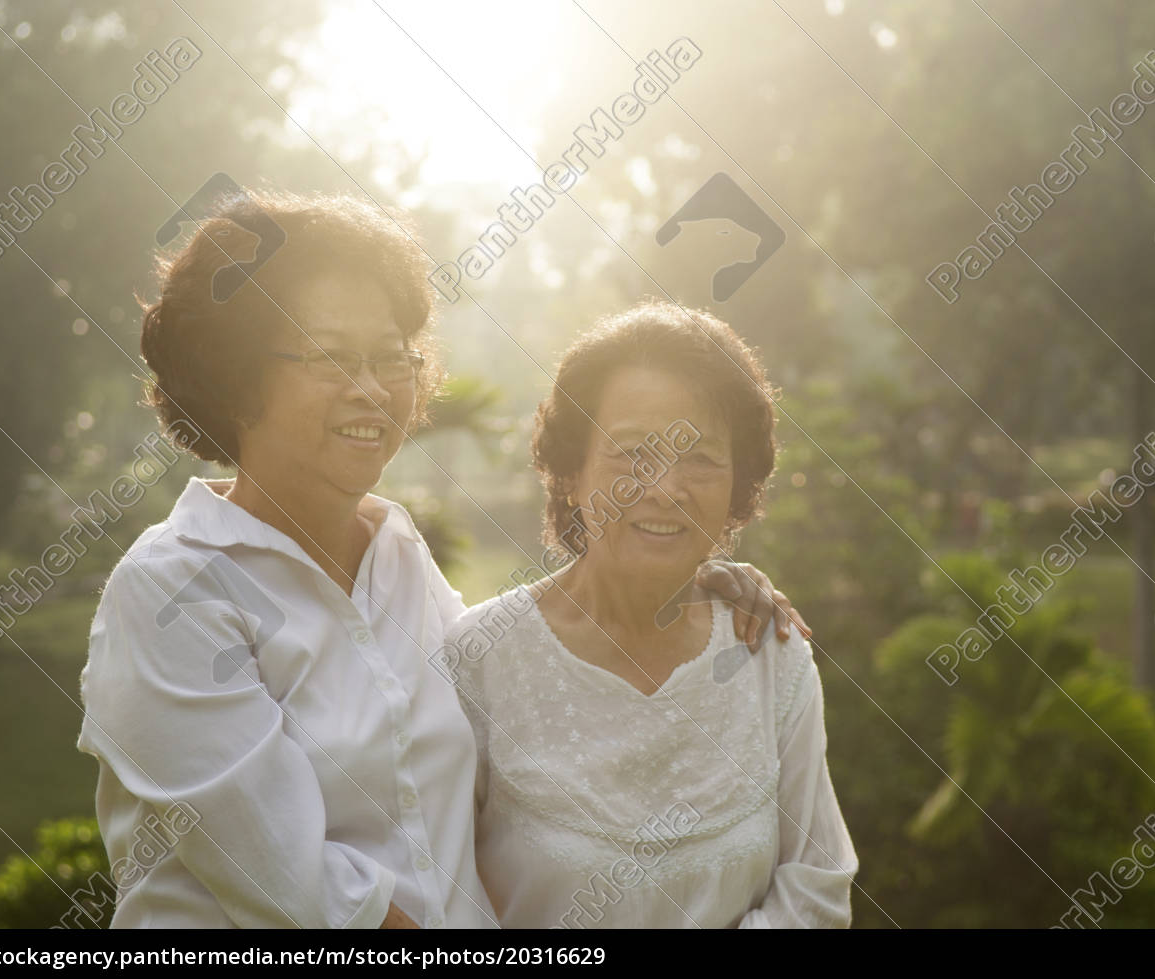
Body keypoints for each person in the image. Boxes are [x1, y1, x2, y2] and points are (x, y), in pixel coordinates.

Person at [76, 189, 805, 928]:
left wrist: (682, 580)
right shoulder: (174, 591)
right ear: (234, 376)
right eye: (331, 356)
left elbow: (521, 667)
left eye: (391, 356)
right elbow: (300, 890)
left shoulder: (396, 554)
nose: (372, 388)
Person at [446, 302, 858, 928]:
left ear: (737, 483)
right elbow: (440, 895)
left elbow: (818, 885)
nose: (666, 485)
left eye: (700, 457)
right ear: (572, 469)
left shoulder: (770, 653)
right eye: (634, 451)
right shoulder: (479, 658)